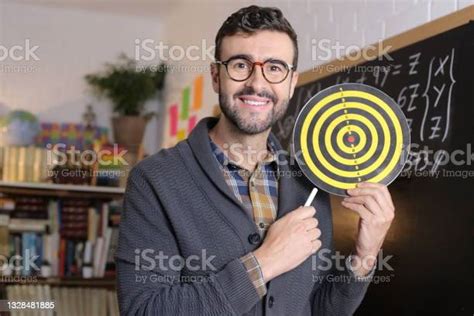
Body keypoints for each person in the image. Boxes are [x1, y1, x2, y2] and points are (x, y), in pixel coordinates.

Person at [117, 5, 395, 315]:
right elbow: (143, 310)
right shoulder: (156, 179)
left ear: (291, 82)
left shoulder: (309, 182)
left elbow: (317, 309)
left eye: (275, 68)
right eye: (240, 65)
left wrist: (365, 255)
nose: (257, 83)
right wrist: (265, 263)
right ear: (216, 77)